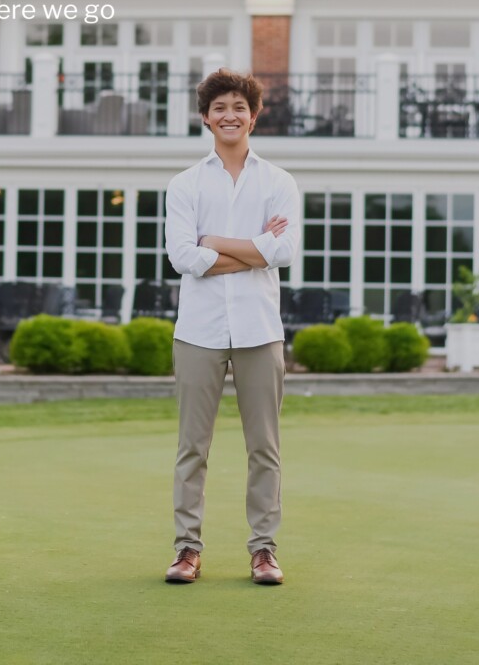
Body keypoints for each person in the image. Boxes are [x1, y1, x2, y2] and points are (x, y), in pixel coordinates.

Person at [163, 68, 300, 585]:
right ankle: (186, 550)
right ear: (205, 117)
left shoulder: (278, 182)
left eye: (239, 107)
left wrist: (214, 241)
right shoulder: (185, 185)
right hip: (197, 331)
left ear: (253, 115)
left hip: (260, 331)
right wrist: (251, 248)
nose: (229, 115)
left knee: (264, 447)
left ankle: (263, 551)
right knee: (191, 448)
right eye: (219, 107)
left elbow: (282, 251)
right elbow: (182, 257)